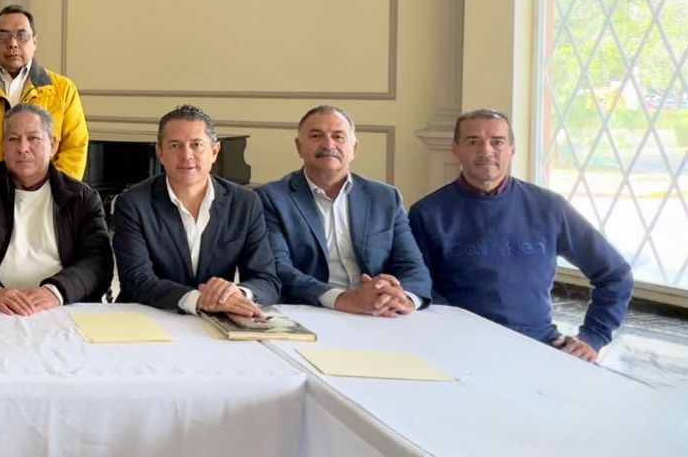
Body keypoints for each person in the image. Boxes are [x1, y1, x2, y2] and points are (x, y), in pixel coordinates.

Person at [409, 109, 633, 362]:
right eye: (473, 142)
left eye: (497, 142)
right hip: (458, 347)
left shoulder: (549, 208)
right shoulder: (427, 214)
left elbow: (616, 274)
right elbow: (417, 287)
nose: (486, 151)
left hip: (539, 344)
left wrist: (593, 336)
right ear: (455, 149)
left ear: (511, 150)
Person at [256, 105, 431, 315]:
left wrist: (404, 299)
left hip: (378, 311)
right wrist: (342, 299)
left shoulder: (385, 198)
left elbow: (412, 265)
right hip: (310, 310)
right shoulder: (271, 198)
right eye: (316, 136)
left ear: (354, 148)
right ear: (299, 147)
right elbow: (278, 268)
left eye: (338, 137)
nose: (328, 144)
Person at [0, 104, 112, 315]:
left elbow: (98, 261)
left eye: (33, 138)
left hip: (59, 306)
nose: (23, 148)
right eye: (13, 139)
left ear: (52, 144)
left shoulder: (81, 198)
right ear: (3, 145)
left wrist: (56, 291)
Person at [113, 105, 279, 316]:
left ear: (215, 152)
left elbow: (267, 280)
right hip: (151, 317)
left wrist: (237, 293)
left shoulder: (245, 202)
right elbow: (136, 280)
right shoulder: (133, 203)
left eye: (196, 145)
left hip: (219, 317)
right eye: (175, 146)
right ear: (160, 153)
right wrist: (198, 300)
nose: (186, 155)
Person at [0, 5, 87, 190]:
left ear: (35, 41)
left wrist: (49, 193)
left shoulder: (63, 89)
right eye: (3, 35)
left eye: (22, 35)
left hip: (46, 197)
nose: (12, 43)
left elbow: (75, 148)